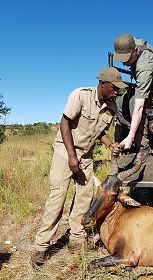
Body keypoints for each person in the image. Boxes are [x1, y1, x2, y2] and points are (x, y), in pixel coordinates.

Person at [31, 67, 127, 266]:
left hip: (86, 155)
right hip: (64, 152)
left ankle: (76, 238)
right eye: (114, 87)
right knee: (57, 200)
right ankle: (41, 247)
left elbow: (99, 132)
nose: (117, 91)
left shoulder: (111, 106)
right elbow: (64, 123)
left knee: (84, 199)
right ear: (102, 84)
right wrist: (71, 156)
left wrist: (110, 145)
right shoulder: (80, 96)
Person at [113, 33, 153, 162]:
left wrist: (131, 135)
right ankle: (134, 133)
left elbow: (139, 106)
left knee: (134, 103)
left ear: (135, 50)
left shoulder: (144, 65)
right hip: (148, 84)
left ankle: (143, 146)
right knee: (118, 103)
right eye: (121, 58)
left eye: (127, 58)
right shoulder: (129, 42)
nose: (124, 63)